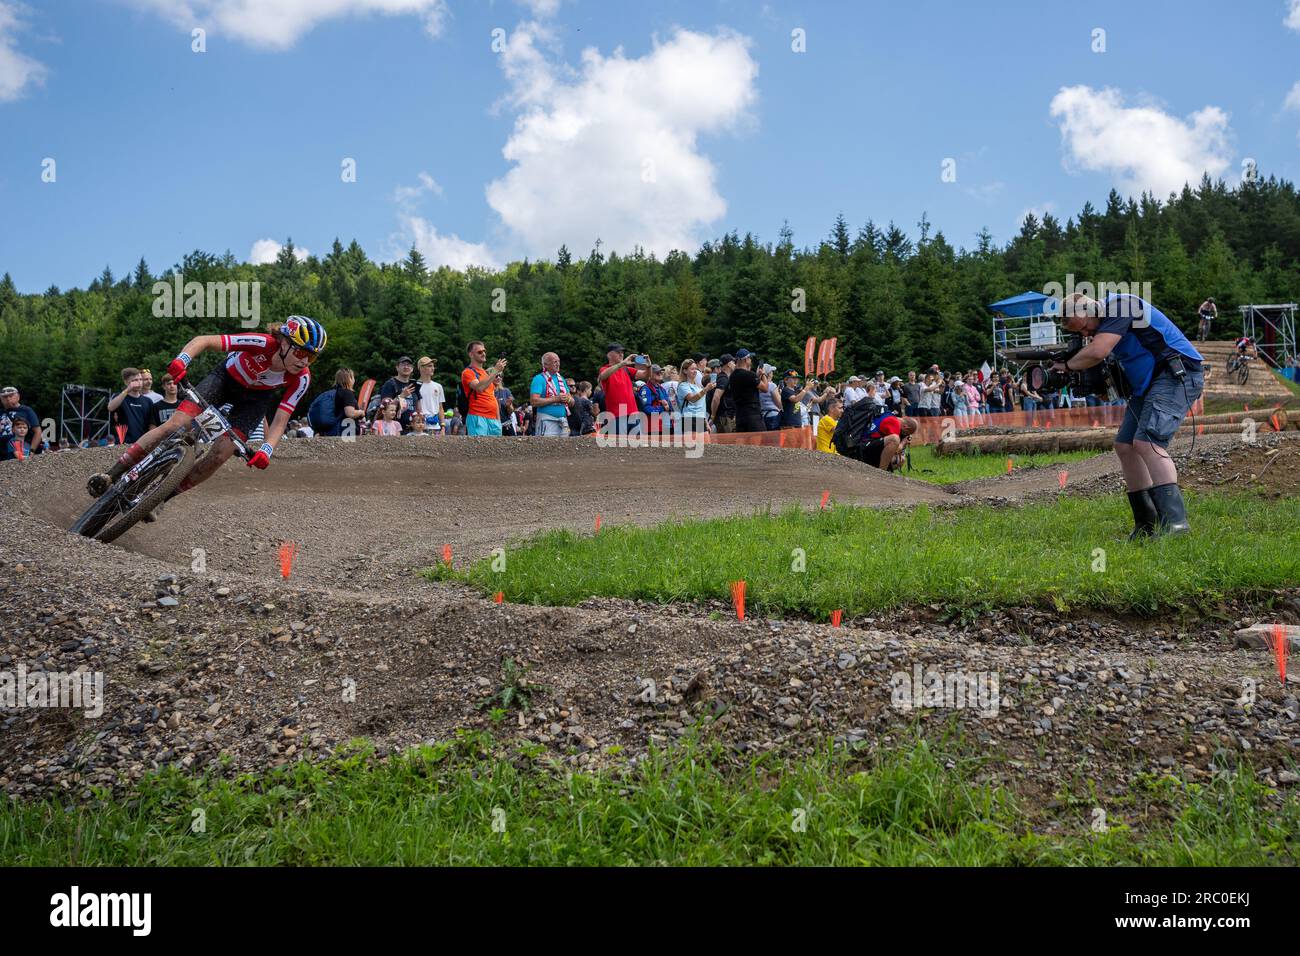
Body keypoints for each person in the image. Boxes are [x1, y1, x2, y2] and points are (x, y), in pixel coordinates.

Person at [86, 315, 327, 500]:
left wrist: (266, 450)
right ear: (283, 342)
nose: (304, 361)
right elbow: (204, 341)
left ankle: (162, 498)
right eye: (300, 352)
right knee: (176, 424)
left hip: (254, 402)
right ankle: (112, 473)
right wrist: (183, 360)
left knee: (221, 453)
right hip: (224, 381)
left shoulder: (302, 378)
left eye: (312, 357)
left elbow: (281, 420)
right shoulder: (262, 342)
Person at [1055, 291, 1204, 537]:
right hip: (1150, 384)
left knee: (1147, 442)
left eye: (1083, 327)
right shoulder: (1107, 324)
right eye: (1079, 333)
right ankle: (1146, 526)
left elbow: (1097, 351)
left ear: (1091, 311)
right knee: (1125, 446)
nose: (1085, 335)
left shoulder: (1121, 306)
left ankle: (1177, 526)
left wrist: (1068, 365)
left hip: (1177, 375)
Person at [598, 343, 652, 435]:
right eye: (618, 352)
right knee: (621, 446)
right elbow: (602, 376)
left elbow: (646, 376)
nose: (621, 354)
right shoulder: (605, 369)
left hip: (633, 413)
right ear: (609, 354)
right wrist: (622, 363)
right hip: (617, 415)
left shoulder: (626, 369)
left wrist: (649, 366)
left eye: (622, 352)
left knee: (637, 444)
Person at [461, 341, 507, 437]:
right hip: (478, 416)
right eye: (479, 352)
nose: (483, 353)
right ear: (471, 354)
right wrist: (495, 370)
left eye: (484, 351)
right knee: (478, 450)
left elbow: (492, 397)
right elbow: (479, 388)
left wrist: (498, 420)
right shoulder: (468, 372)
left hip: (493, 419)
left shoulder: (486, 374)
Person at [530, 352, 573, 436]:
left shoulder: (561, 379)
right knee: (546, 448)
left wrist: (568, 399)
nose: (558, 364)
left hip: (563, 421)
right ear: (545, 365)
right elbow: (534, 401)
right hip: (547, 420)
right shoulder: (539, 379)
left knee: (564, 448)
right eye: (555, 362)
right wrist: (556, 399)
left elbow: (572, 402)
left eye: (558, 361)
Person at [108, 368, 155, 445]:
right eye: (135, 380)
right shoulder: (120, 397)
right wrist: (127, 390)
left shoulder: (148, 401)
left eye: (140, 379)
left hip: (141, 443)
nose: (139, 382)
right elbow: (110, 407)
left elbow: (151, 424)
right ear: (126, 382)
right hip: (122, 443)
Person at [726, 350, 765, 433]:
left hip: (739, 413)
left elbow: (748, 385)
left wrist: (757, 376)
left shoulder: (732, 376)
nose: (751, 360)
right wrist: (763, 374)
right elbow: (765, 388)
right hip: (752, 413)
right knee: (758, 442)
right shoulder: (749, 375)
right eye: (750, 358)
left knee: (742, 443)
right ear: (745, 360)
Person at [0, 387, 42, 458]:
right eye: (4, 397)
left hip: (22, 450)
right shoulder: (1, 412)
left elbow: (37, 432)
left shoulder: (26, 410)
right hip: (2, 453)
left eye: (11, 396)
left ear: (18, 396)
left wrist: (32, 450)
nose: (8, 399)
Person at [379, 356, 418, 432]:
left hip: (413, 430)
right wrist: (401, 396)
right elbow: (384, 407)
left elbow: (418, 407)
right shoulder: (390, 384)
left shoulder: (414, 385)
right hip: (394, 429)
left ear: (412, 369)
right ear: (397, 367)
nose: (406, 367)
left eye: (408, 365)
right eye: (403, 364)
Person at [676, 361, 714, 434]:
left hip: (700, 418)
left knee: (706, 444)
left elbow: (701, 406)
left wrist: (706, 422)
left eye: (696, 369)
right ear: (685, 371)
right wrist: (706, 389)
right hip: (689, 418)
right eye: (692, 369)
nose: (695, 371)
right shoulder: (683, 385)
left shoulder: (698, 386)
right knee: (694, 444)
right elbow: (692, 399)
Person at [413, 356, 445, 433]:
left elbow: (440, 408)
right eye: (429, 366)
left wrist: (443, 427)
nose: (433, 368)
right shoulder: (415, 386)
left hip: (436, 427)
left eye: (433, 366)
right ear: (421, 368)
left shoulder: (438, 386)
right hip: (420, 428)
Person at [709, 354, 736, 432]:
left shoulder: (725, 377)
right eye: (733, 362)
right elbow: (716, 398)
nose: (734, 364)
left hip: (728, 416)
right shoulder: (723, 378)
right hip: (724, 417)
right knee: (728, 441)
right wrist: (713, 415)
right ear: (728, 364)